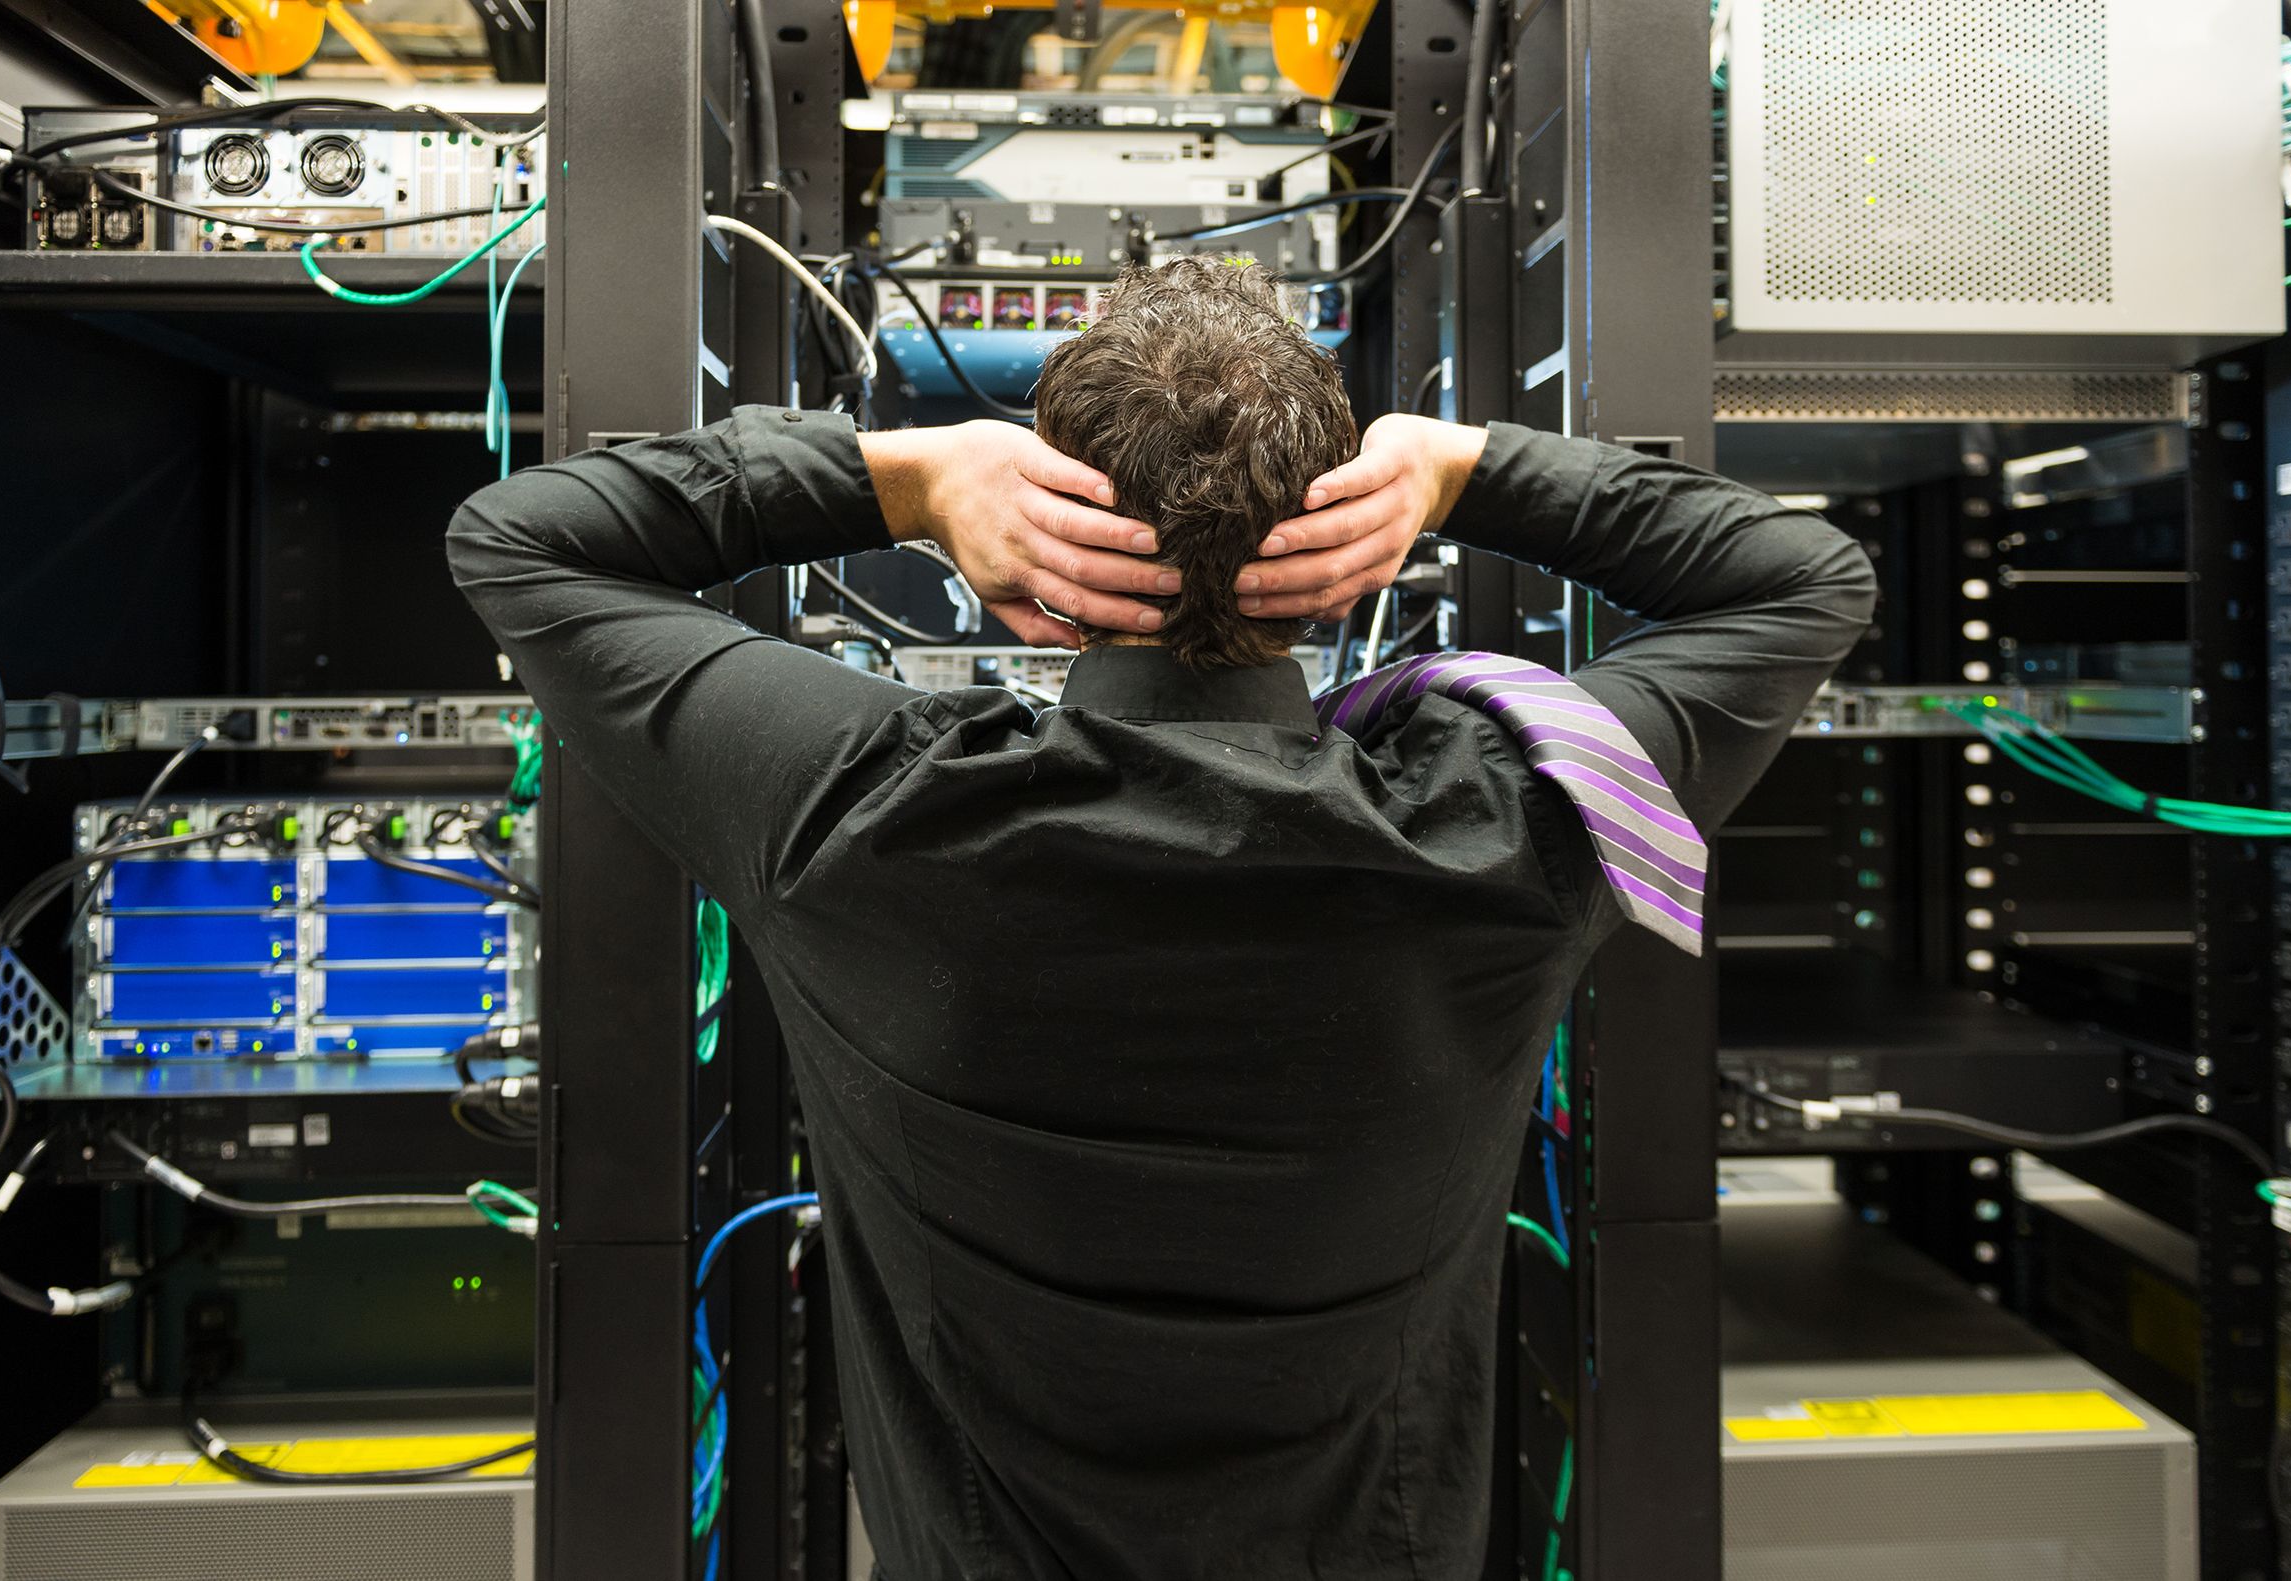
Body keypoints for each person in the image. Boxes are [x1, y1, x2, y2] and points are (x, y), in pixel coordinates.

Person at [449, 256, 1875, 1580]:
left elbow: (520, 539)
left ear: (1031, 591)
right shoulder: (1507, 823)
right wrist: (1458, 467)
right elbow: (1804, 574)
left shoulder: (854, 813)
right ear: (1349, 573)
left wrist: (908, 478)